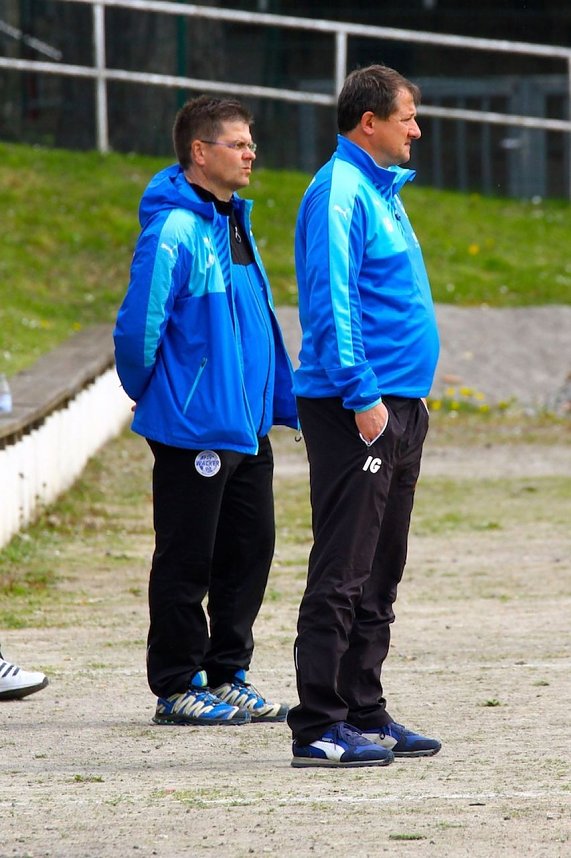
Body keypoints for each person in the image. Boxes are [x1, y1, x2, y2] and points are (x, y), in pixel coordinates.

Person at [114, 96, 297, 727]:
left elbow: (251, 323)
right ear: (200, 152)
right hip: (195, 426)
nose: (251, 153)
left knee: (250, 549)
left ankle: (227, 673)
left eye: (251, 143)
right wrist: (167, 396)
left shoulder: (232, 221)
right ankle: (175, 683)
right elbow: (138, 331)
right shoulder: (175, 227)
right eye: (238, 143)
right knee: (188, 556)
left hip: (244, 425)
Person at [287, 64, 442, 767]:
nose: (416, 128)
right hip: (358, 408)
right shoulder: (339, 189)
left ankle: (363, 708)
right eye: (406, 116)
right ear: (368, 122)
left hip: (399, 407)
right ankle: (318, 724)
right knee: (343, 569)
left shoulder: (383, 190)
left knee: (381, 569)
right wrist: (362, 396)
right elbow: (330, 302)